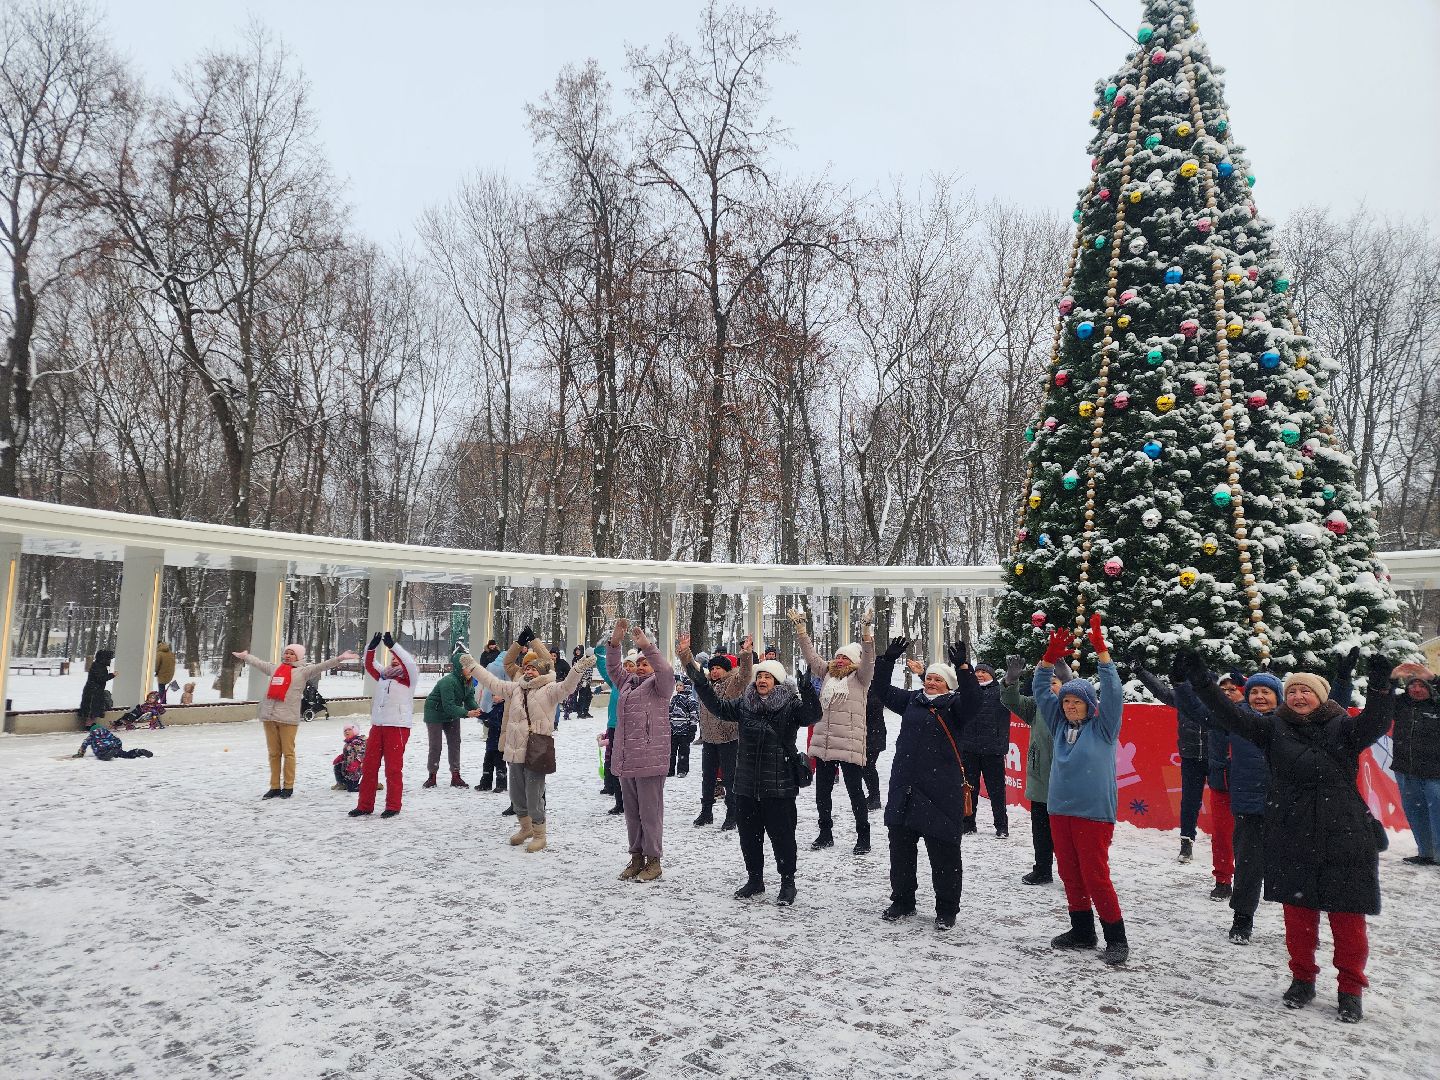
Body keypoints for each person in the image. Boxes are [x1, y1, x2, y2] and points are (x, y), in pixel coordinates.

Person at [1181, 648, 1395, 1023]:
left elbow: (1377, 722)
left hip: (1345, 834)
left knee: (1348, 920)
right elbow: (1229, 714)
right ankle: (1302, 979)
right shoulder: (1272, 729)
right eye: (1292, 690)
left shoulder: (1344, 728)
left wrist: (1379, 687)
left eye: (1305, 690)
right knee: (1298, 918)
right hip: (1292, 833)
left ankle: (1350, 988)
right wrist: (1201, 681)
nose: (1298, 696)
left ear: (1321, 697)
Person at [690, 646, 821, 906]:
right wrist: (701, 683)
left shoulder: (790, 705)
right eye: (759, 676)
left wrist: (808, 690)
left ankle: (787, 883)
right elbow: (717, 707)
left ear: (777, 681)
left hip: (779, 783)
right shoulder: (744, 703)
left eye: (767, 677)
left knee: (783, 837)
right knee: (749, 837)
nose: (762, 680)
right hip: (746, 782)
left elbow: (812, 716)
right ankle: (755, 879)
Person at [1033, 616, 1128, 966]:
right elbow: (1041, 690)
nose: (1070, 706)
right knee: (1069, 874)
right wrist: (1047, 659)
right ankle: (1082, 930)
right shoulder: (1059, 725)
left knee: (1095, 876)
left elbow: (1113, 691)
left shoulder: (1104, 728)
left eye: (1077, 701)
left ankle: (1116, 937)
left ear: (1090, 704)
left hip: (1093, 813)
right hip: (1060, 809)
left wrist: (1102, 652)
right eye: (1067, 701)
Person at [871, 637, 979, 931]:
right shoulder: (912, 700)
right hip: (905, 789)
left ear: (948, 685)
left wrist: (963, 667)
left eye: (937, 679)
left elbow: (974, 701)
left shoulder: (956, 706)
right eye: (929, 678)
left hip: (940, 792)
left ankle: (947, 909)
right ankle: (902, 900)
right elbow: (880, 690)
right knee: (901, 851)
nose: (931, 682)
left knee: (944, 854)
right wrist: (886, 661)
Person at [470, 633, 595, 853]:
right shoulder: (516, 688)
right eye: (527, 668)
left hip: (536, 749)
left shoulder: (550, 689)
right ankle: (525, 828)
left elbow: (568, 686)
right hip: (515, 749)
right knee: (516, 793)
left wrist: (579, 668)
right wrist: (473, 667)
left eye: (533, 669)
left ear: (543, 672)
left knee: (534, 794)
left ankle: (539, 834)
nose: (528, 671)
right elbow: (493, 683)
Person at [790, 607, 876, 855]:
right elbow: (811, 656)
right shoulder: (827, 673)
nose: (840, 661)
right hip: (825, 743)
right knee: (822, 793)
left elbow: (869, 659)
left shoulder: (861, 678)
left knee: (855, 792)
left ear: (854, 661)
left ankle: (863, 836)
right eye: (838, 656)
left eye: (845, 658)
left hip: (849, 743)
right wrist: (801, 630)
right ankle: (825, 832)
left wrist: (866, 633)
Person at [1206, 670, 1277, 944]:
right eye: (1254, 692)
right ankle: (1242, 919)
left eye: (1266, 692)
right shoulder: (1239, 720)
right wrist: (1194, 683)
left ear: (1277, 697)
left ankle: (1304, 924)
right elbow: (1201, 708)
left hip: (1289, 807)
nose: (1260, 697)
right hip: (1249, 804)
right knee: (1248, 867)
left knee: (1296, 870)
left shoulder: (1290, 722)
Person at [235, 643, 357, 800]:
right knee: (274, 754)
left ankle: (288, 786)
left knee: (288, 753)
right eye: (286, 653)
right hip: (270, 717)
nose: (288, 656)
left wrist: (340, 658)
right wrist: (246, 656)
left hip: (288, 719)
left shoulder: (303, 671)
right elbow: (259, 663)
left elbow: (323, 666)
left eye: (292, 653)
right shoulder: (275, 669)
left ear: (298, 657)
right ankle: (274, 787)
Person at [607, 620, 677, 881]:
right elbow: (613, 667)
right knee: (632, 815)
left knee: (650, 814)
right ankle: (636, 858)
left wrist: (647, 647)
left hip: (650, 759)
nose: (641, 666)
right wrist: (615, 642)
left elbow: (665, 669)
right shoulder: (627, 683)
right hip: (627, 760)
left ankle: (654, 860)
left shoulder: (661, 686)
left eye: (646, 663)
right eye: (638, 663)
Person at [1133, 656, 1212, 868]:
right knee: (1189, 802)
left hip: (1217, 757)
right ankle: (1186, 842)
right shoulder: (1183, 697)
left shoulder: (1216, 695)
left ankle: (1233, 842)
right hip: (1190, 757)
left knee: (1226, 800)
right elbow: (1161, 691)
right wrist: (1141, 672)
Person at [1000, 655, 1071, 885]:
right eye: (1046, 682)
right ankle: (1042, 869)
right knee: (1041, 832)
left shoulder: (1075, 706)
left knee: (1067, 835)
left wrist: (1068, 679)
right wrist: (1011, 681)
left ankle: (1073, 874)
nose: (1050, 686)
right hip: (1041, 779)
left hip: (1068, 783)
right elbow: (1011, 702)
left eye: (1054, 682)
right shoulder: (1036, 706)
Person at [678, 641, 751, 830]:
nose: (715, 671)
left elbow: (745, 674)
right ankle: (706, 811)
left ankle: (733, 813)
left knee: (730, 778)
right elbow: (692, 670)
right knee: (708, 777)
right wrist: (685, 652)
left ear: (727, 670)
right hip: (709, 739)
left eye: (718, 668)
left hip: (729, 738)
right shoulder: (706, 684)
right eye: (712, 668)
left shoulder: (734, 683)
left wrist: (746, 654)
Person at [349, 632, 421, 818]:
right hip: (378, 726)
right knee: (369, 766)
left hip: (397, 726)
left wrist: (393, 646)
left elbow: (408, 662)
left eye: (398, 657)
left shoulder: (410, 677)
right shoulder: (383, 675)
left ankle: (393, 805)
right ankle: (364, 805)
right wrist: (371, 648)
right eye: (392, 657)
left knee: (393, 768)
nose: (395, 659)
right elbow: (369, 664)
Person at [1389, 662, 1440, 866]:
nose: (1416, 689)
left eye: (1421, 685)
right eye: (1412, 685)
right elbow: (1380, 701)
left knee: (1438, 814)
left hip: (1436, 773)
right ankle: (1426, 853)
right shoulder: (1401, 704)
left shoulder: (1437, 704)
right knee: (1416, 813)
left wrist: (1434, 678)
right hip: (1406, 771)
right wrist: (1392, 679)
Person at [959, 662, 1011, 839]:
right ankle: (968, 823)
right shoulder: (966, 691)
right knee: (969, 789)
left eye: (984, 672)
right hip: (969, 749)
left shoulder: (1000, 691)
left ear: (992, 675)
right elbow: (944, 690)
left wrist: (1012, 677)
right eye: (977, 671)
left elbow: (1011, 689)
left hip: (993, 750)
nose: (980, 674)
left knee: (997, 792)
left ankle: (1001, 826)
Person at [423, 649, 482, 788]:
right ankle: (432, 776)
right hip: (435, 713)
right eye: (467, 667)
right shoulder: (448, 682)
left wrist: (478, 710)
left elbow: (469, 699)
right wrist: (467, 713)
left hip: (452, 713)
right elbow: (448, 706)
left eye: (471, 666)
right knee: (436, 746)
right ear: (459, 668)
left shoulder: (469, 681)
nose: (470, 669)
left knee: (455, 743)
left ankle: (456, 776)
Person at [594, 641, 635, 815]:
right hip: (613, 726)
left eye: (632, 665)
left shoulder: (639, 684)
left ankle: (630, 800)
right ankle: (617, 798)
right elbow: (605, 669)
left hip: (630, 729)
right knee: (613, 761)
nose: (628, 668)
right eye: (626, 665)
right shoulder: (617, 682)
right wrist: (599, 651)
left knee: (627, 766)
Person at [472, 642, 509, 794]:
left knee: (499, 762)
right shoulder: (505, 668)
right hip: (492, 740)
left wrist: (484, 717)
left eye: (496, 696)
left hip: (498, 740)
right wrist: (482, 714)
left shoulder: (503, 708)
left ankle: (500, 783)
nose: (494, 697)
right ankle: (486, 782)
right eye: (493, 696)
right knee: (488, 761)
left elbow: (498, 720)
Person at [77, 648, 115, 731]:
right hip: (93, 692)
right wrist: (112, 675)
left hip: (95, 691)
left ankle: (90, 723)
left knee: (94, 709)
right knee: (92, 709)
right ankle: (89, 725)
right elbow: (101, 678)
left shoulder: (98, 665)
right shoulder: (98, 666)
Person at [668, 676, 699, 778]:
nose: (678, 687)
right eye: (677, 685)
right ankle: (670, 769)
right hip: (673, 730)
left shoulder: (690, 700)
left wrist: (692, 728)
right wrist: (668, 724)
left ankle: (682, 770)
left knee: (683, 752)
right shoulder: (674, 698)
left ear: (686, 686)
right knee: (671, 751)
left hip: (685, 731)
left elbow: (694, 714)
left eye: (681, 685)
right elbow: (670, 712)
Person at [862, 691, 887, 811]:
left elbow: (871, 707)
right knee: (866, 767)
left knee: (868, 766)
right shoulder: (869, 689)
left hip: (874, 734)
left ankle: (875, 797)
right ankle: (873, 795)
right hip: (871, 733)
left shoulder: (875, 691)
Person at [74, 723, 153, 760]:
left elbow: (84, 744)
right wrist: (119, 748)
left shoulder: (92, 735)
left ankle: (107, 755)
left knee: (101, 753)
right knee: (125, 754)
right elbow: (118, 740)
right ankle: (137, 752)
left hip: (102, 749)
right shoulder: (107, 733)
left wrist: (80, 754)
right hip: (113, 746)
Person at [332, 725, 367, 792]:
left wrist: (357, 763)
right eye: (345, 730)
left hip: (358, 767)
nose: (347, 731)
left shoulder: (358, 742)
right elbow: (349, 753)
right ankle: (342, 784)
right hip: (349, 766)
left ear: (354, 731)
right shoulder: (348, 743)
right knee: (338, 765)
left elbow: (362, 754)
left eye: (349, 729)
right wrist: (341, 757)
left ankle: (372, 786)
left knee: (352, 788)